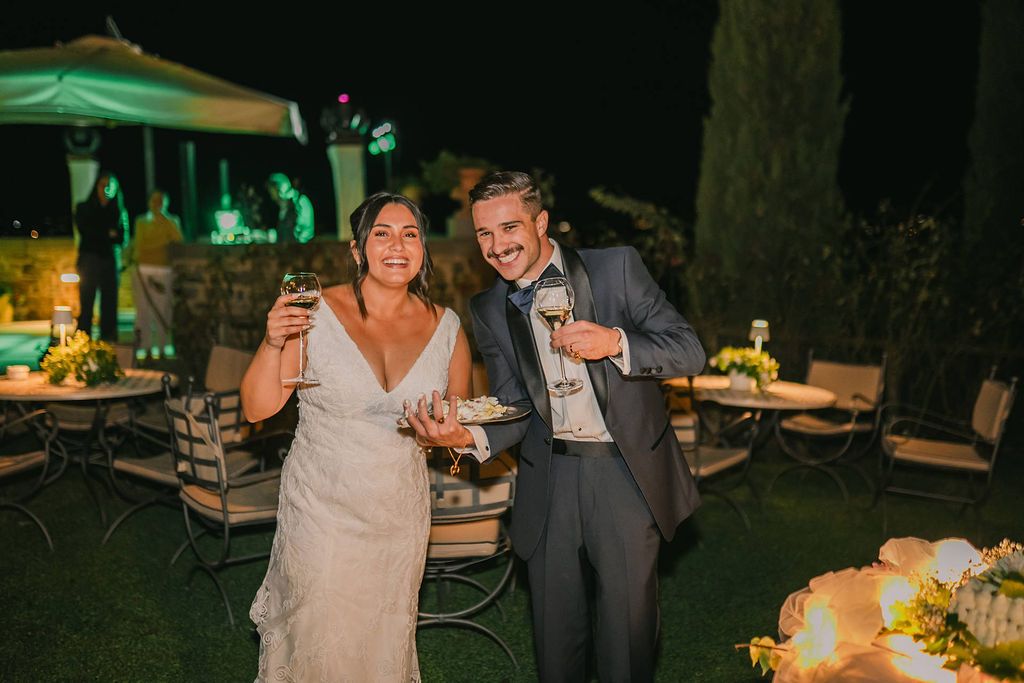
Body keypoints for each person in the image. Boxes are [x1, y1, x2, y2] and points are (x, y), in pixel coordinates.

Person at [407, 171, 705, 682]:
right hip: (550, 480)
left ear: (541, 222)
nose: (497, 246)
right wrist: (469, 437)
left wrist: (615, 342)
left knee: (627, 637)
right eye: (484, 234)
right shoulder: (488, 308)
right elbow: (515, 404)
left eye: (509, 228)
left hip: (624, 475)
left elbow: (690, 350)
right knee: (556, 639)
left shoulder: (617, 268)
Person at [242, 192, 471, 681]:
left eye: (410, 234)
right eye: (382, 233)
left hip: (398, 514)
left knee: (382, 642)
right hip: (320, 507)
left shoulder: (447, 327)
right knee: (316, 640)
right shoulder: (313, 313)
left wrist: (448, 435)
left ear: (423, 249)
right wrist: (272, 341)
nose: (397, 245)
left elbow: (456, 430)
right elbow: (258, 408)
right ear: (356, 249)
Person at [124, 189, 183, 359]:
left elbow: (178, 240)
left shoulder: (172, 221)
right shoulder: (142, 222)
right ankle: (146, 348)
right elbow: (141, 246)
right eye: (154, 200)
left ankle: (164, 348)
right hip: (143, 271)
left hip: (164, 270)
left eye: (161, 201)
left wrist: (165, 225)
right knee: (143, 310)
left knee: (163, 310)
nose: (157, 204)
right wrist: (163, 242)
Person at [75, 172, 128, 341]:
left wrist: (103, 232)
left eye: (110, 185)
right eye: (103, 184)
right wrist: (108, 233)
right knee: (87, 301)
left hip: (109, 261)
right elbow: (86, 231)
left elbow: (121, 238)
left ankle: (108, 339)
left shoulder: (119, 212)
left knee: (110, 302)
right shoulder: (84, 207)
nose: (106, 188)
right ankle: (83, 339)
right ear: (96, 187)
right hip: (89, 260)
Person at [267, 173, 314, 243]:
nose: (271, 196)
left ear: (278, 188)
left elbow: (303, 235)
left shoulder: (301, 202)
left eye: (271, 190)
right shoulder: (284, 207)